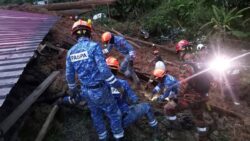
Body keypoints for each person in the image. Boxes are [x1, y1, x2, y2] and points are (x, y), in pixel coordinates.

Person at [66, 20, 124, 141]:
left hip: (85, 91)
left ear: (75, 35)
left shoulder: (70, 52)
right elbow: (104, 71)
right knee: (114, 113)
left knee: (96, 114)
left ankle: (103, 138)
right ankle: (119, 137)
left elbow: (69, 74)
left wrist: (72, 89)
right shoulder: (94, 47)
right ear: (89, 33)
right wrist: (117, 85)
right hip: (99, 90)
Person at [163, 39, 213, 141]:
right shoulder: (201, 62)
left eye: (180, 52)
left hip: (189, 98)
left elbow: (183, 84)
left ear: (182, 51)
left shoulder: (186, 65)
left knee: (168, 108)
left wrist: (175, 97)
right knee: (199, 118)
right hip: (202, 96)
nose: (180, 54)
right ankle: (203, 137)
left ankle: (176, 130)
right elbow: (211, 79)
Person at [106, 56, 158, 135]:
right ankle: (156, 132)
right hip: (121, 119)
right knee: (147, 107)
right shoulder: (122, 83)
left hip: (106, 118)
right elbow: (133, 99)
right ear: (116, 69)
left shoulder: (98, 85)